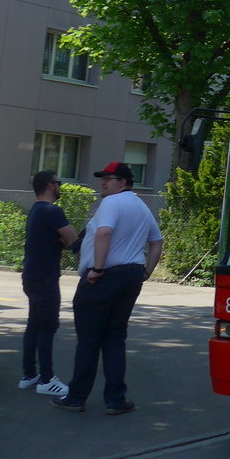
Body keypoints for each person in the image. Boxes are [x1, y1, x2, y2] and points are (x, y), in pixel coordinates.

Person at [52, 161, 163, 415]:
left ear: (122, 182)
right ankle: (115, 399)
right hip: (131, 275)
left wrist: (98, 269)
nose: (103, 183)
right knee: (115, 338)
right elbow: (157, 241)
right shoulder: (142, 207)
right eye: (102, 178)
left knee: (89, 340)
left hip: (104, 277)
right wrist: (147, 271)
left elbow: (103, 234)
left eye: (108, 179)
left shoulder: (112, 202)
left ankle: (76, 397)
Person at [19, 171, 78, 395]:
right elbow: (73, 241)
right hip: (45, 278)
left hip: (31, 275)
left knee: (34, 324)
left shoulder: (36, 210)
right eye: (58, 183)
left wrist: (62, 239)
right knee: (48, 327)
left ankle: (29, 374)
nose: (60, 186)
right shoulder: (52, 211)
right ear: (51, 186)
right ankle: (46, 380)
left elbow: (59, 241)